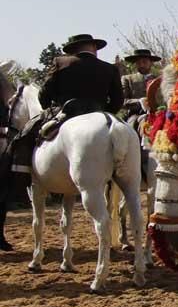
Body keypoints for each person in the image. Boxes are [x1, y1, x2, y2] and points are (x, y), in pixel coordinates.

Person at [3, 34, 124, 199]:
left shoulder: (61, 63)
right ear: (94, 48)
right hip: (99, 112)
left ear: (73, 50)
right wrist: (104, 113)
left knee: (24, 135)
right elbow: (118, 100)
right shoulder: (110, 68)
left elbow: (44, 94)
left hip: (67, 112)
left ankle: (20, 177)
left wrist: (49, 108)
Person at [120, 47, 160, 119]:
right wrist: (139, 101)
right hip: (135, 115)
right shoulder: (127, 79)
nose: (141, 65)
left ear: (151, 63)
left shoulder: (159, 80)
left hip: (158, 114)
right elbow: (122, 101)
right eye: (138, 62)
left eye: (144, 62)